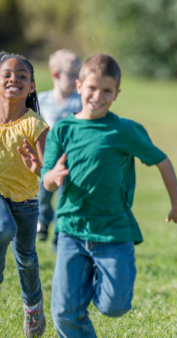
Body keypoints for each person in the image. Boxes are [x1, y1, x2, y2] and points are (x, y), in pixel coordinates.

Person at [42, 54, 177, 338]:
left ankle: (90, 282)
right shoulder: (62, 130)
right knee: (64, 313)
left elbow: (162, 161)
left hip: (114, 232)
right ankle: (77, 291)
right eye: (92, 88)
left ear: (117, 94)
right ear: (79, 86)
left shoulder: (124, 130)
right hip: (72, 230)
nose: (98, 96)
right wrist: (53, 176)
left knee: (115, 306)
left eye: (107, 91)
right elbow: (46, 180)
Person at [0, 51, 49, 337]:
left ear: (31, 86)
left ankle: (33, 307)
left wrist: (38, 166)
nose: (13, 80)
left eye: (21, 76)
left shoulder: (35, 124)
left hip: (27, 202)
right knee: (2, 228)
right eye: (6, 75)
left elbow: (49, 171)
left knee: (27, 257)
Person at [36, 49, 83, 246]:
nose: (76, 80)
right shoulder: (42, 100)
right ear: (56, 75)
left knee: (65, 197)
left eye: (78, 75)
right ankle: (43, 220)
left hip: (71, 161)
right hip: (46, 159)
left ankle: (60, 233)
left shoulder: (80, 101)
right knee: (43, 195)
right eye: (72, 75)